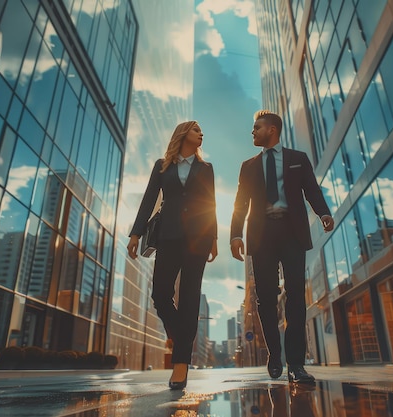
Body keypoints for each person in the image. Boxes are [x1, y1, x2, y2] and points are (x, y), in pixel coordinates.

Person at [230, 110, 334, 384]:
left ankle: (296, 364)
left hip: (292, 233)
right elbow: (240, 203)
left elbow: (312, 190)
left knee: (296, 296)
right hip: (262, 236)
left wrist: (323, 213)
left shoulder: (298, 160)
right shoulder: (248, 166)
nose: (252, 132)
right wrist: (235, 235)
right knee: (265, 297)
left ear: (272, 130)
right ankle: (275, 353)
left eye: (257, 128)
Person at [127, 121, 218, 390]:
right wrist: (135, 233)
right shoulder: (162, 166)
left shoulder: (206, 168)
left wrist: (213, 238)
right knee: (160, 294)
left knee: (190, 298)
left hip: (198, 239)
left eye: (202, 131)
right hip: (168, 236)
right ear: (183, 134)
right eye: (196, 130)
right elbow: (148, 199)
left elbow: (210, 203)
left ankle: (180, 364)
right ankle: (181, 337)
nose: (201, 134)